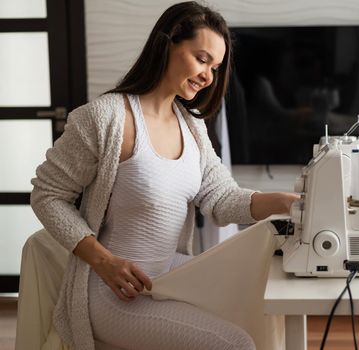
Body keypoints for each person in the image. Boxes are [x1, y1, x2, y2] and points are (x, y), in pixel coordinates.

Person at [30, 2, 298, 349]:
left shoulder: (192, 126)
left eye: (215, 67)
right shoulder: (106, 118)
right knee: (235, 343)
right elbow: (46, 195)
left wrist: (286, 203)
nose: (208, 76)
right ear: (166, 44)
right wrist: (105, 262)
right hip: (113, 292)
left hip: (167, 276)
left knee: (259, 298)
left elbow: (222, 198)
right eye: (202, 59)